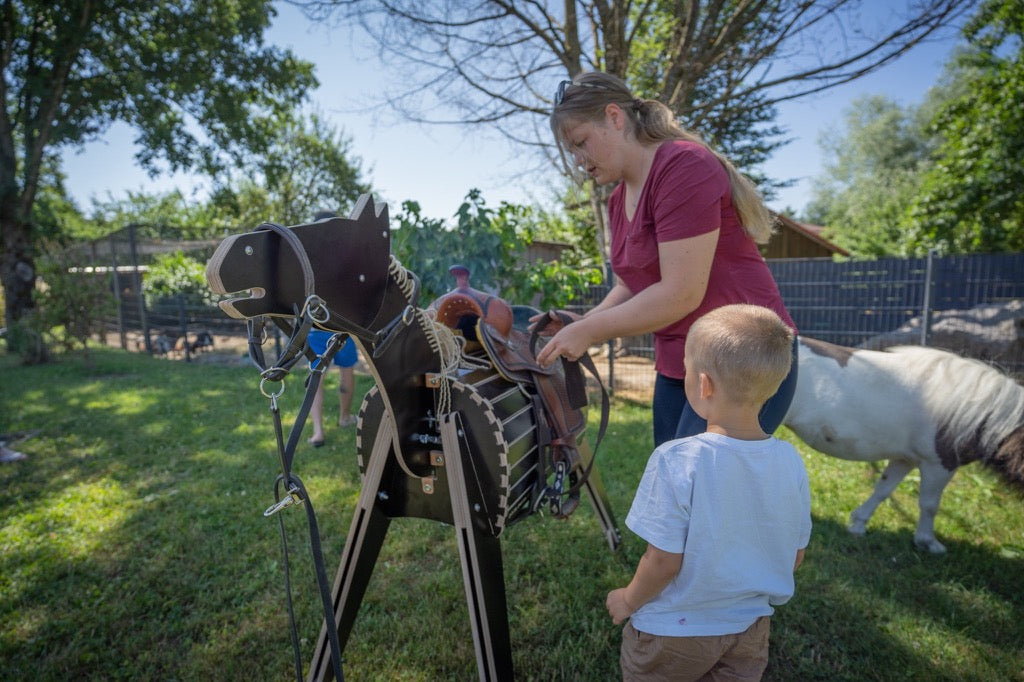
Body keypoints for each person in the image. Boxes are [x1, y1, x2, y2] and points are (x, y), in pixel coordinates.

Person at [536, 72, 798, 446]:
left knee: (706, 491)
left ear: (615, 117)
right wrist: (581, 323)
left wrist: (591, 332)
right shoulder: (617, 199)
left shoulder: (684, 166)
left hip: (744, 359)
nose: (578, 161)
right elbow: (630, 284)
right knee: (675, 485)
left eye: (581, 143)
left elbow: (681, 293)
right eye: (572, 152)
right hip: (682, 363)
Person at [606, 304, 811, 681]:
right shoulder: (790, 460)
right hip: (750, 631)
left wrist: (627, 599)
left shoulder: (676, 459)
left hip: (673, 633)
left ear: (704, 385)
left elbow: (663, 561)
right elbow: (795, 553)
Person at [307, 330, 359, 448]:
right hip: (342, 328)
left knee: (316, 378)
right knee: (346, 372)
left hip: (315, 328)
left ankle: (318, 432)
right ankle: (345, 418)